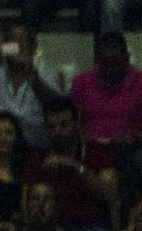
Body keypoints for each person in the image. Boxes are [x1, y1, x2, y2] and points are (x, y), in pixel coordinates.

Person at [24, 97, 118, 230]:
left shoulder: (95, 152)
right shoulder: (40, 158)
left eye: (64, 125)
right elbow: (26, 200)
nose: (57, 132)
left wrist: (75, 165)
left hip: (90, 225)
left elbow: (110, 194)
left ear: (76, 123)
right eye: (52, 127)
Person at [0, 22, 61, 150]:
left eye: (23, 40)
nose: (19, 44)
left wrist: (30, 74)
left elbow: (56, 106)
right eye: (14, 40)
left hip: (37, 149)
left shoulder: (45, 73)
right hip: (0, 150)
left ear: (32, 46)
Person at [70, 32, 142, 145]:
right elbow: (73, 124)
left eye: (116, 63)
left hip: (132, 150)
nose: (110, 69)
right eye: (105, 64)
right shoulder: (81, 84)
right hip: (91, 150)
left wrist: (134, 138)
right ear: (98, 60)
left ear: (127, 58)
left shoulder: (140, 83)